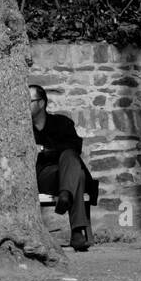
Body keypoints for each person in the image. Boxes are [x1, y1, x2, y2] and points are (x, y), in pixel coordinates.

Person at [29, 84, 99, 251]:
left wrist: (44, 150)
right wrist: (53, 152)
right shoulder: (22, 129)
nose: (25, 105)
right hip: (44, 176)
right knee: (77, 174)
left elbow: (75, 146)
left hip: (66, 171)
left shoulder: (61, 123)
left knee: (70, 157)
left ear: (41, 103)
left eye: (29, 101)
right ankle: (77, 231)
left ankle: (66, 195)